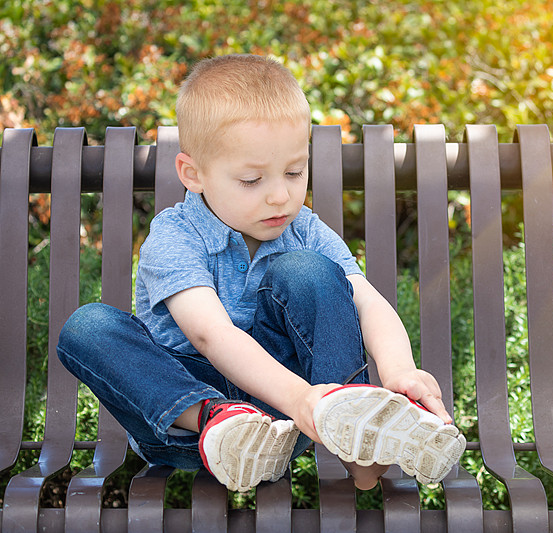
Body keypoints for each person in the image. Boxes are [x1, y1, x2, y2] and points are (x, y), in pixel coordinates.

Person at [57, 54, 465, 492]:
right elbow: (210, 335)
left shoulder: (304, 230)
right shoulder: (175, 236)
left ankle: (361, 448)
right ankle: (222, 421)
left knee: (310, 272)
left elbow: (366, 301)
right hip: (191, 422)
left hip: (295, 418)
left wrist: (399, 371)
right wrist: (299, 399)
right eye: (252, 180)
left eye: (294, 172)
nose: (280, 196)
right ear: (193, 174)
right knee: (88, 327)